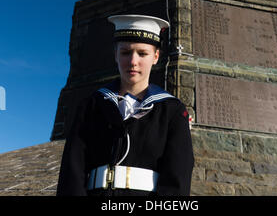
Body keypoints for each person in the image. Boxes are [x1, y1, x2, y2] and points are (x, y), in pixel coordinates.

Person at [56, 14, 194, 196]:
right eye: (125, 52)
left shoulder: (172, 111)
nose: (133, 62)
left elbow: (177, 179)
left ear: (156, 57)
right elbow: (72, 172)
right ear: (115, 55)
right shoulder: (91, 105)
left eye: (143, 53)